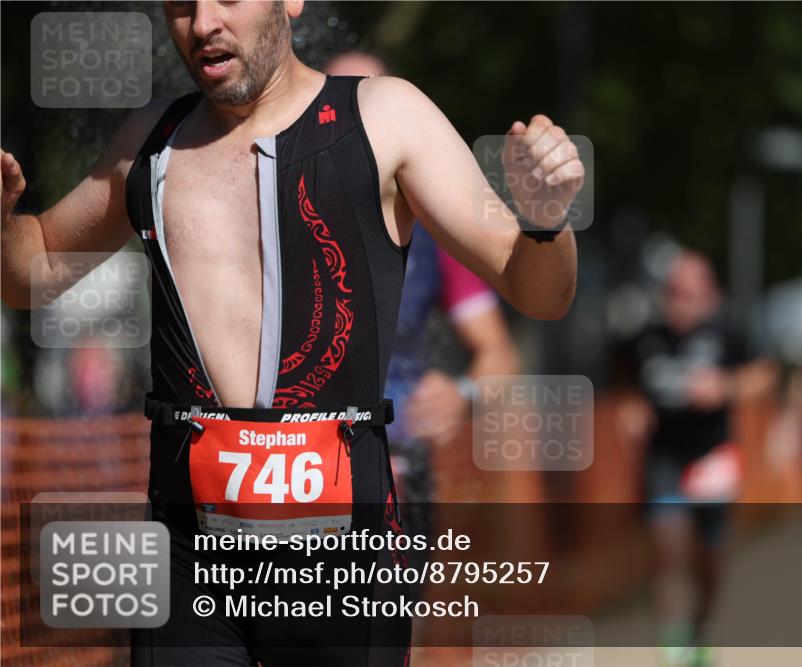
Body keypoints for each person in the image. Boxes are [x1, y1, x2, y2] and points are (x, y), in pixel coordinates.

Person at [0, 2, 582, 666]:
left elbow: (539, 291)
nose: (204, 23)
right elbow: (33, 271)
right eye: (183, 6)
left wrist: (545, 220)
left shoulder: (386, 117)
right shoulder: (150, 141)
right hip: (191, 549)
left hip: (340, 548)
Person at [325, 49, 521, 583]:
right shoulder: (269, 204)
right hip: (289, 471)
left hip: (400, 469)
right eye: (339, 99)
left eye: (370, 98)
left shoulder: (434, 230)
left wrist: (462, 393)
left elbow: (500, 354)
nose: (353, 117)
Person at [626, 251, 767, 667]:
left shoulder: (728, 330)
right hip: (665, 456)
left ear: (709, 295)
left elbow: (764, 374)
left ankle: (700, 627)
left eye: (689, 294)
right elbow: (627, 385)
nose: (680, 302)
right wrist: (632, 411)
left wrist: (727, 386)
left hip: (712, 457)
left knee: (710, 557)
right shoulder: (646, 337)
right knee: (667, 545)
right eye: (673, 293)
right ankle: (673, 648)